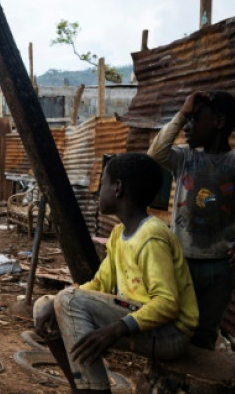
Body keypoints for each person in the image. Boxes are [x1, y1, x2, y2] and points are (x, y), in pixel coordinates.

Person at [34, 153, 199, 393]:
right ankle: (81, 385)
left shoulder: (151, 236)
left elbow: (167, 303)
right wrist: (56, 302)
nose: (98, 191)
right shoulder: (119, 233)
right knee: (45, 305)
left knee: (68, 300)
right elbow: (100, 283)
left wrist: (117, 328)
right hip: (138, 318)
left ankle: (93, 389)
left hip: (170, 333)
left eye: (102, 184)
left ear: (118, 188)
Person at [147, 90, 235, 349]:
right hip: (180, 260)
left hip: (221, 265)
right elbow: (155, 153)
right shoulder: (185, 157)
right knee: (170, 325)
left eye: (195, 119)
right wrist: (183, 113)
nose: (188, 127)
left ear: (218, 122)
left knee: (206, 333)